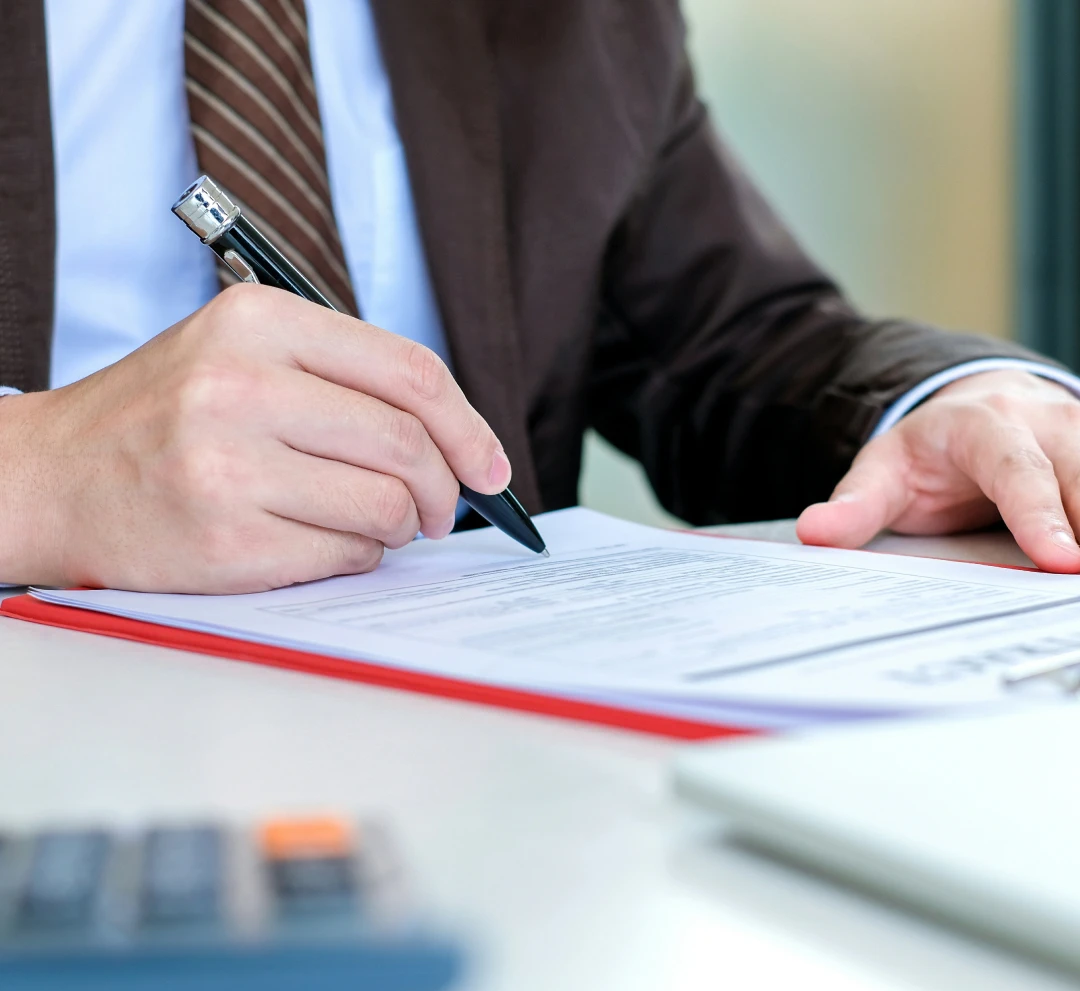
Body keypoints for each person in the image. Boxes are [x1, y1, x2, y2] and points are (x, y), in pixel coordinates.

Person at [2, 0, 1080, 593]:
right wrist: (39, 479)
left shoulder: (573, 21)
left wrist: (958, 397)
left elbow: (731, 335)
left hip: (484, 767)